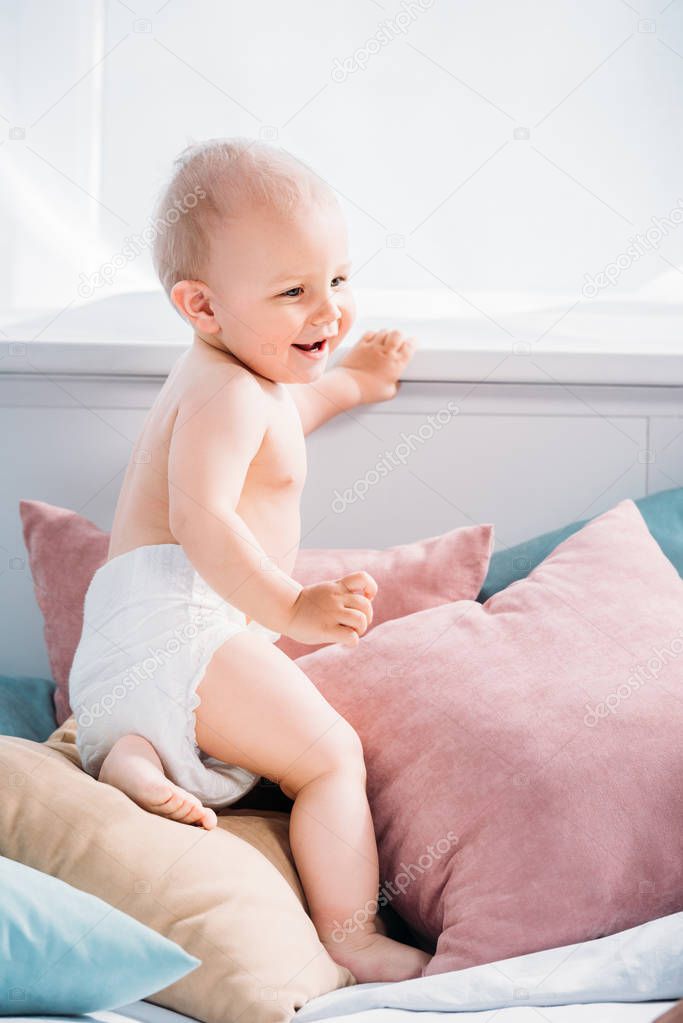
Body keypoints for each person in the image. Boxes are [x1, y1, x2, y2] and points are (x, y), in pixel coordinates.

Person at [69, 138, 426, 982]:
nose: (329, 313)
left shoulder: (229, 378)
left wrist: (355, 381)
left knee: (212, 734)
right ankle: (350, 935)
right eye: (294, 291)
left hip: (121, 649)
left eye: (337, 280)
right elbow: (204, 523)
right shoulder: (229, 395)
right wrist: (292, 609)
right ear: (200, 304)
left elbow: (292, 414)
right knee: (330, 756)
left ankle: (130, 753)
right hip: (182, 623)